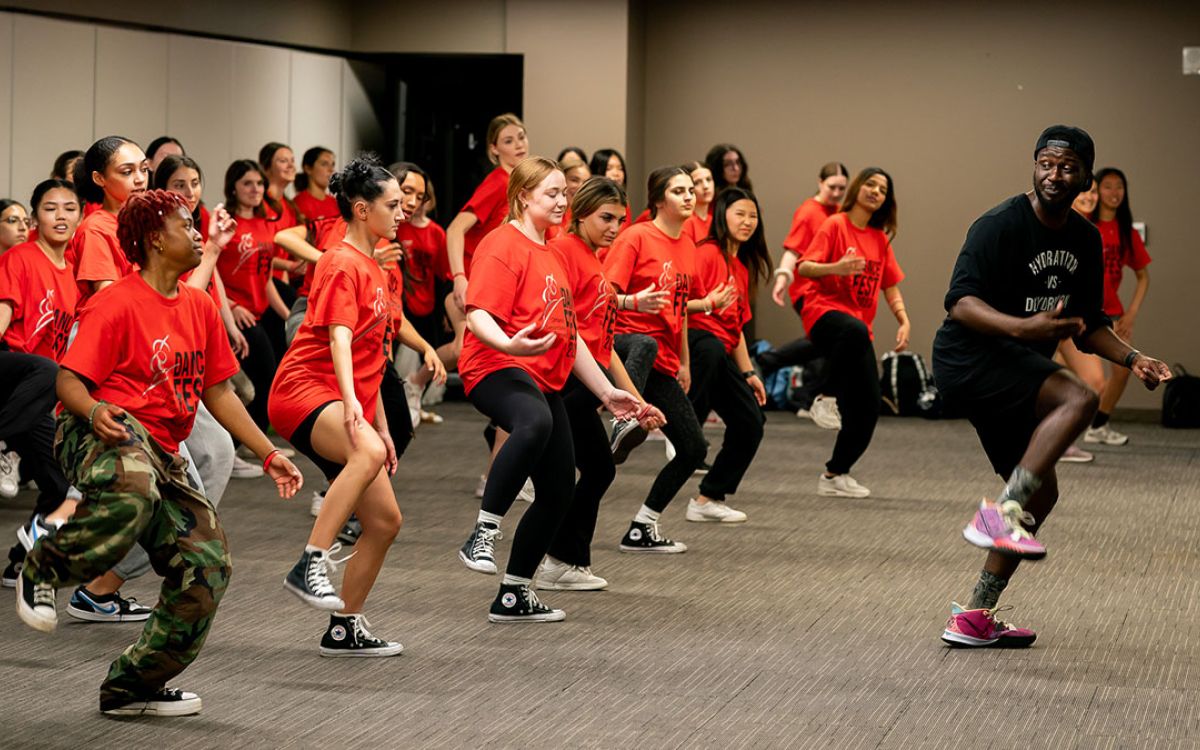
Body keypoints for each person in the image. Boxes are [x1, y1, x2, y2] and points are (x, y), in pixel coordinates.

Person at [16, 189, 302, 717]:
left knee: (207, 567)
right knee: (133, 487)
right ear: (154, 239)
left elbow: (218, 391)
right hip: (102, 428)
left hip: (161, 449)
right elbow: (69, 380)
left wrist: (266, 453)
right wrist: (94, 410)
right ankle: (42, 567)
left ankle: (131, 687)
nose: (197, 235)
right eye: (186, 226)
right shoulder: (114, 302)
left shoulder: (196, 304)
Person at [933, 126, 1171, 648]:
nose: (1053, 175)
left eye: (1066, 167)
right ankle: (998, 515)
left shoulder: (1083, 238)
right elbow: (960, 302)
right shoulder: (998, 225)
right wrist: (1024, 328)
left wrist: (1134, 359)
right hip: (969, 357)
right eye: (1046, 164)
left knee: (1045, 491)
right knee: (1080, 397)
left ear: (1085, 176)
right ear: (1034, 166)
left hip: (1014, 363)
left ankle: (975, 614)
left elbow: (1088, 325)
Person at [457, 157, 644, 623]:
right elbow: (476, 313)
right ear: (523, 196)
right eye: (552, 194)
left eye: (565, 193)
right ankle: (483, 532)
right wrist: (507, 342)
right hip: (494, 365)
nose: (562, 202)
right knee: (534, 420)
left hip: (542, 379)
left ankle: (514, 592)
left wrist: (606, 392)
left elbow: (571, 334)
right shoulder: (502, 244)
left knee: (560, 490)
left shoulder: (553, 250)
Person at [270, 155, 442, 654]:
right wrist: (352, 410)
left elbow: (375, 353)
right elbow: (340, 338)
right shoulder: (340, 261)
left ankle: (345, 625)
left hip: (344, 395)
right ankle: (310, 563)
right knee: (364, 454)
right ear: (362, 209)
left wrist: (383, 426)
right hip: (304, 389)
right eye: (393, 204)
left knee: (386, 521)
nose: (403, 210)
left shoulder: (381, 264)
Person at [539, 176, 665, 590]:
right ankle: (557, 561)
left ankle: (563, 561)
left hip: (586, 384)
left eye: (620, 219)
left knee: (595, 470)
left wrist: (638, 402)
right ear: (581, 214)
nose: (614, 227)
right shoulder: (563, 252)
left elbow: (605, 346)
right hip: (562, 382)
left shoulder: (594, 259)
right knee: (588, 471)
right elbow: (567, 333)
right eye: (605, 218)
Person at [603, 165, 707, 551]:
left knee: (694, 448)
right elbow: (604, 297)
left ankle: (642, 526)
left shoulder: (688, 246)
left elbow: (679, 309)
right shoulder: (636, 237)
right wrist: (635, 302)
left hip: (662, 358)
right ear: (659, 199)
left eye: (691, 190)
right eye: (679, 190)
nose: (689, 196)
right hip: (623, 346)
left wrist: (684, 361)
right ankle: (623, 419)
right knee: (644, 342)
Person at [795, 167, 910, 498]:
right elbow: (804, 267)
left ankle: (835, 474)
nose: (876, 191)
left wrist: (903, 319)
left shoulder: (878, 239)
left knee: (869, 406)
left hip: (858, 331)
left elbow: (890, 286)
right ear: (857, 189)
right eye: (870, 184)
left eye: (883, 189)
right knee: (854, 328)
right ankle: (823, 396)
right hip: (825, 314)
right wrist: (836, 268)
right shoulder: (835, 225)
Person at [0, 180, 82, 584]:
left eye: (69, 208)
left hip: (35, 395)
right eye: (51, 209)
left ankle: (19, 562)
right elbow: (4, 314)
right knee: (46, 369)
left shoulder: (73, 277)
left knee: (64, 485)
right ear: (35, 218)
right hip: (9, 371)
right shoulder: (21, 256)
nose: (61, 216)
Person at [682, 186, 770, 522]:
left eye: (753, 216)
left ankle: (707, 499)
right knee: (712, 348)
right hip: (698, 346)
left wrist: (749, 374)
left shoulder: (742, 268)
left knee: (751, 422)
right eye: (740, 214)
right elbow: (677, 306)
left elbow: (737, 331)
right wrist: (707, 304)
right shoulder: (705, 253)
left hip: (720, 352)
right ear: (722, 215)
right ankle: (684, 424)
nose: (747, 222)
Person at [767, 161, 850, 428]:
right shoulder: (809, 212)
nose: (837, 192)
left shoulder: (838, 212)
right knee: (832, 340)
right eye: (832, 187)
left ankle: (803, 391)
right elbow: (793, 250)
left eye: (842, 188)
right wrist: (782, 277)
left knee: (828, 344)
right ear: (819, 183)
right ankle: (774, 364)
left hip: (830, 292)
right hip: (807, 290)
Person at [1082, 167, 1153, 446]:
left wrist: (1131, 313)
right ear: (1096, 191)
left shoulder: (1126, 232)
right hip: (1082, 312)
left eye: (1119, 187)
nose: (1114, 192)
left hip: (1112, 312)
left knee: (1123, 371)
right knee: (1087, 378)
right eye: (1107, 186)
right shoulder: (1085, 223)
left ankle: (1098, 426)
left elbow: (1143, 277)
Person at [217, 159, 287, 436]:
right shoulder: (223, 221)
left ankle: (246, 446)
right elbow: (212, 272)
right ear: (232, 187)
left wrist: (289, 315)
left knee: (261, 382)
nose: (255, 189)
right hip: (234, 313)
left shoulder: (265, 224)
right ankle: (243, 445)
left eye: (259, 183)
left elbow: (266, 278)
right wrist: (231, 307)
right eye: (247, 183)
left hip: (258, 312)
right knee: (260, 378)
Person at [69, 136, 149, 303]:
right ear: (99, 178)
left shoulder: (147, 221)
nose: (140, 179)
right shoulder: (95, 229)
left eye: (144, 169)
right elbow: (107, 299)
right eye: (127, 172)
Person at [293, 147, 339, 221]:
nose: (331, 169)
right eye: (324, 164)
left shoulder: (336, 203)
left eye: (332, 165)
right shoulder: (298, 204)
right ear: (308, 169)